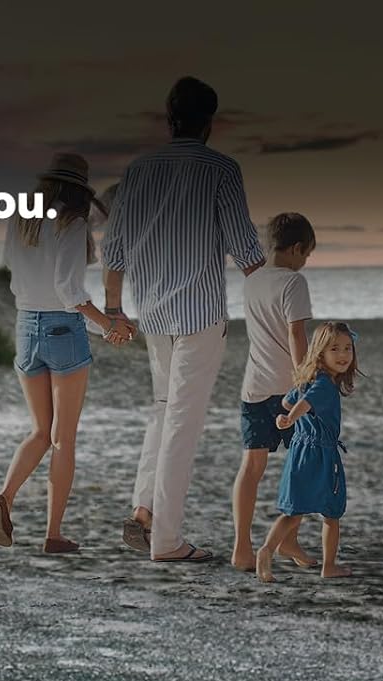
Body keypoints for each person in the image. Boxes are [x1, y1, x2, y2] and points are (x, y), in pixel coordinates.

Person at [103, 76, 265, 563]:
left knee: (163, 407)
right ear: (209, 123)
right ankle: (167, 541)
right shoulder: (221, 169)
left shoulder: (138, 170)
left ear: (169, 119)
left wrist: (114, 310)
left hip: (152, 312)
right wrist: (277, 291)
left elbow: (113, 250)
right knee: (182, 422)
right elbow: (245, 249)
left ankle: (144, 511)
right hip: (199, 315)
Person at [0, 153, 135, 555]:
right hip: (62, 329)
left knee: (39, 430)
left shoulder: (21, 218)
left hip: (25, 326)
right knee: (62, 440)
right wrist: (109, 324)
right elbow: (69, 292)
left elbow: (22, 279)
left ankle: (4, 498)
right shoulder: (73, 223)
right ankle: (53, 535)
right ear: (78, 191)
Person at [233, 212, 317, 570]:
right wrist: (304, 380)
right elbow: (296, 334)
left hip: (254, 387)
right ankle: (288, 540)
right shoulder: (293, 283)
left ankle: (241, 549)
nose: (304, 262)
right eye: (307, 255)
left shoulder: (252, 281)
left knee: (251, 468)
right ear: (297, 248)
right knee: (303, 468)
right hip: (287, 389)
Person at [256, 322, 358, 582]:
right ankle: (329, 566)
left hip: (300, 451)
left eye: (348, 348)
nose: (343, 354)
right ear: (320, 352)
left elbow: (288, 400)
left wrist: (286, 419)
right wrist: (291, 418)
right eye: (335, 348)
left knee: (293, 511)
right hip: (321, 455)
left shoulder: (311, 378)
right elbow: (302, 404)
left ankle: (268, 549)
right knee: (332, 514)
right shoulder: (324, 385)